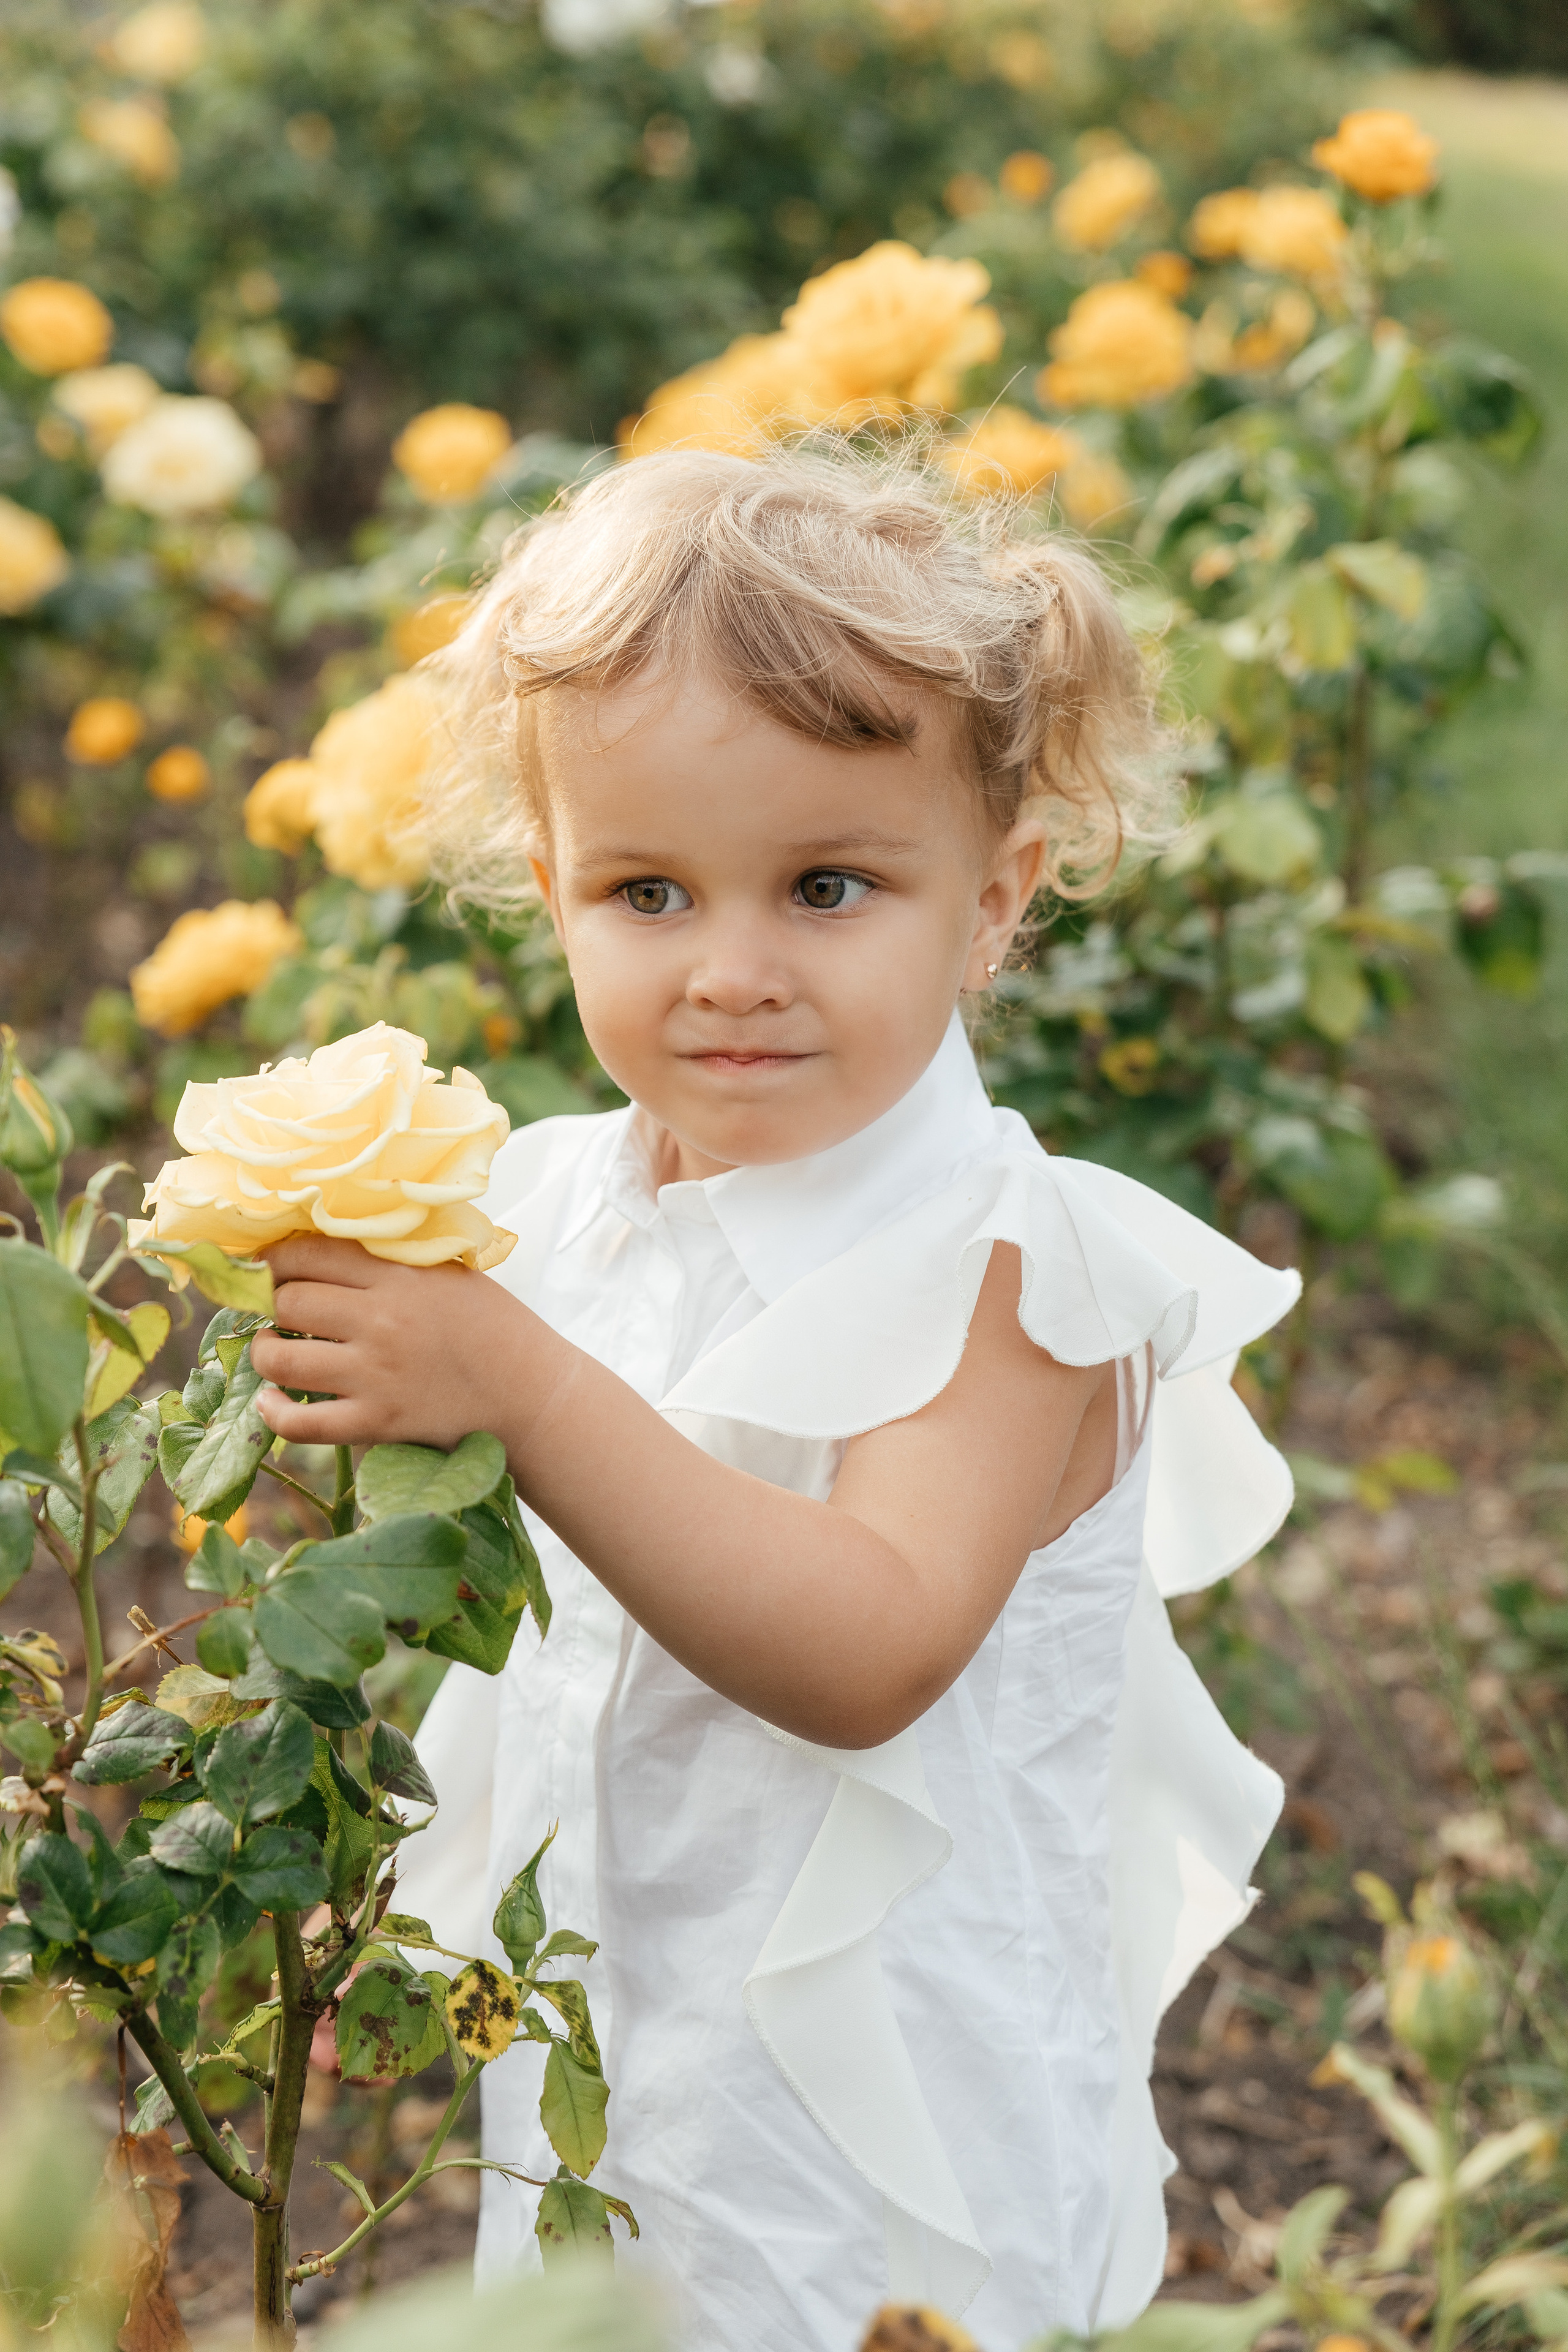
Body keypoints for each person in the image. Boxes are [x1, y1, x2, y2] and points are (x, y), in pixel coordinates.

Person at [251, 443, 1297, 2352]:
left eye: (827, 887)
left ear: (991, 904)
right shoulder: (551, 1204)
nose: (733, 973)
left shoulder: (1013, 1273)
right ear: (552, 893)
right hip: (612, 2062)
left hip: (892, 2131)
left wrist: (521, 1387)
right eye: (648, 892)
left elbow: (868, 1644)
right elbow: (533, 1640)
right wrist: (397, 1883)